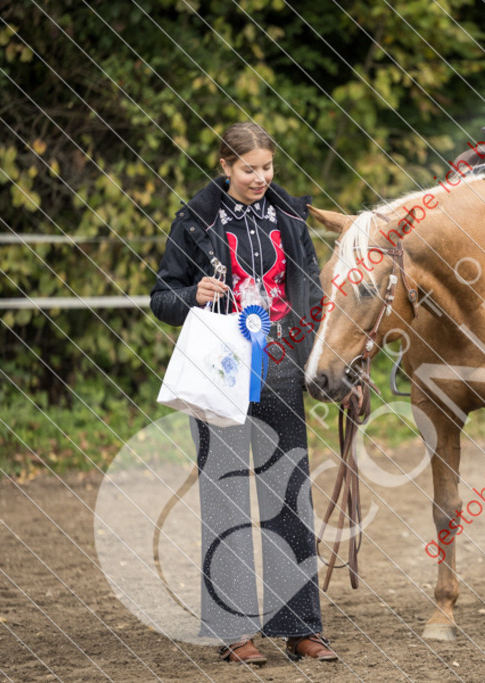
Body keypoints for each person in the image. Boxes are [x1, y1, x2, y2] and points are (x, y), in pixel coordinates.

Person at [150, 122, 336, 665]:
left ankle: (301, 627)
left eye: (267, 168)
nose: (260, 178)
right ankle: (233, 633)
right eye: (249, 169)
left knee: (290, 496)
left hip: (282, 368)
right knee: (225, 498)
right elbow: (160, 298)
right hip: (219, 374)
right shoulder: (194, 222)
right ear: (226, 167)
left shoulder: (289, 218)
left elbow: (313, 294)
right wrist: (191, 295)